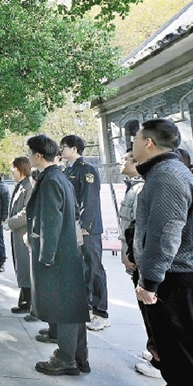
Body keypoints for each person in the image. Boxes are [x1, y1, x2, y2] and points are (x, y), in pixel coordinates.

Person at [132, 118, 193, 386]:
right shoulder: (170, 171)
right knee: (192, 364)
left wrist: (149, 282)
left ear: (148, 143)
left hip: (180, 286)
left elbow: (165, 233)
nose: (133, 146)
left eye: (135, 140)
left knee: (192, 370)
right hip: (187, 282)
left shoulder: (166, 175)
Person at [26, 135, 90, 376]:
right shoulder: (59, 176)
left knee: (64, 307)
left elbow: (51, 220)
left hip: (58, 252)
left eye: (30, 152)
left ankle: (66, 359)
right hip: (67, 249)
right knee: (72, 307)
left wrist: (46, 255)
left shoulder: (51, 179)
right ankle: (78, 357)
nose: (28, 157)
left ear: (38, 155)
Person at [117, 148, 161, 379]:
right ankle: (155, 351)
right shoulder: (134, 187)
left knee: (153, 312)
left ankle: (159, 360)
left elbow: (140, 229)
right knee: (148, 313)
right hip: (135, 258)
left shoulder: (143, 189)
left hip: (142, 261)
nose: (122, 163)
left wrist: (132, 256)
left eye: (127, 159)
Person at [60, 135, 110, 331]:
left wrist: (85, 225)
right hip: (72, 227)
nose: (61, 150)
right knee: (80, 269)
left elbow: (90, 200)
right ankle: (86, 307)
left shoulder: (87, 169)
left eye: (64, 147)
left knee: (93, 267)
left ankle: (101, 312)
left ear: (74, 148)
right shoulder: (67, 170)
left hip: (87, 229)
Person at [7, 157, 34, 314]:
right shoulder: (20, 185)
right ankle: (24, 301)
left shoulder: (29, 185)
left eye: (14, 168)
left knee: (25, 267)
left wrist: (10, 222)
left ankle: (28, 303)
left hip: (24, 233)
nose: (12, 171)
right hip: (18, 232)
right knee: (21, 267)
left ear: (21, 168)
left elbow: (27, 212)